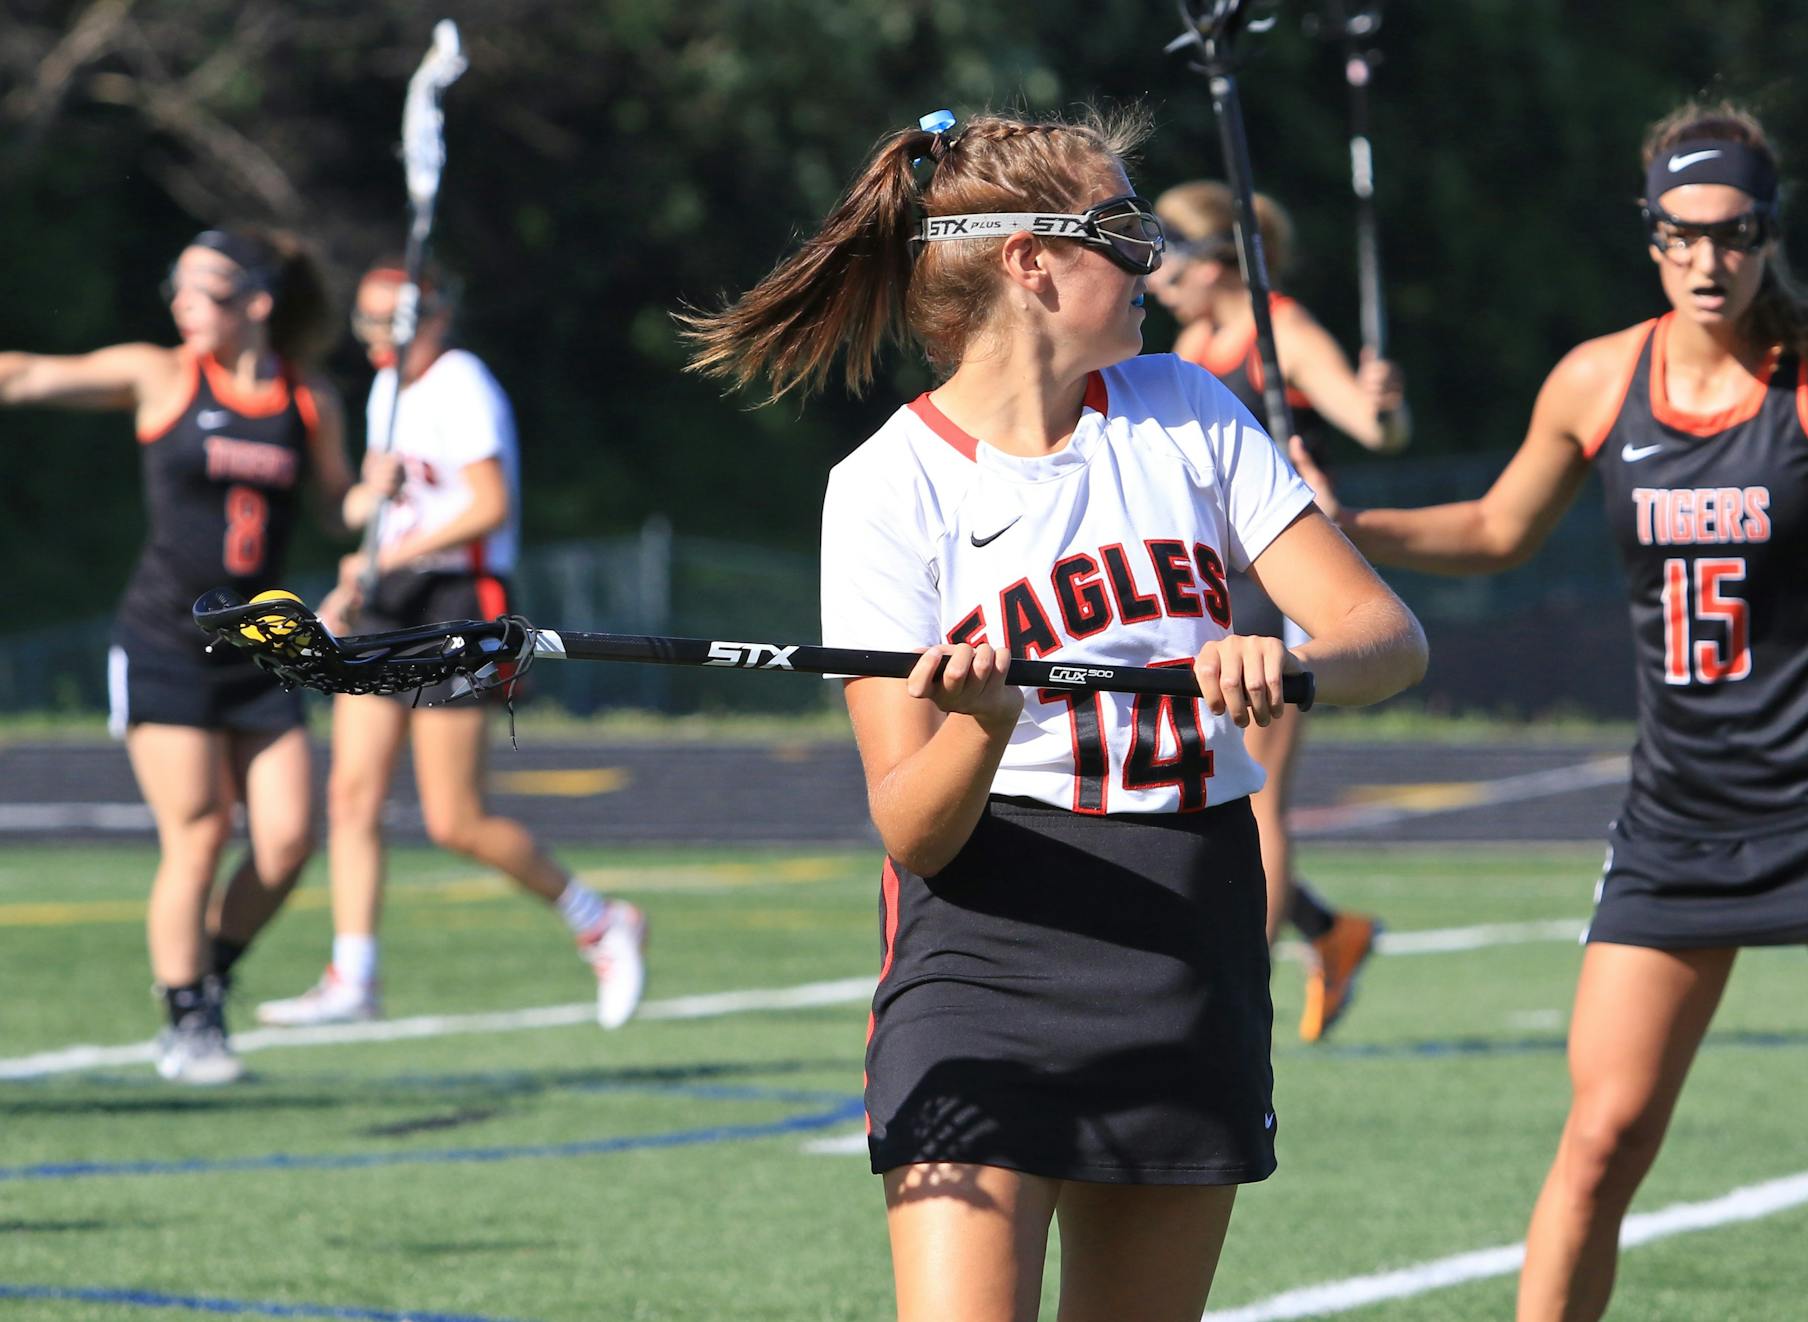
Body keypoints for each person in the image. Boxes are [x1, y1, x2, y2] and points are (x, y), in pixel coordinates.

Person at [1291, 101, 1808, 1322]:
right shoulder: (1599, 378)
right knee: (1602, 1139)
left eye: (1734, 234)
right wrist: (1344, 528)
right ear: (1650, 237)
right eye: (1681, 235)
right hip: (1680, 817)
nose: (1708, 260)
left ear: (1768, 234)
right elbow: (1493, 528)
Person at [680, 107, 1427, 1322]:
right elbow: (911, 827)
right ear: (1033, 261)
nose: (1156, 264)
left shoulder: (1186, 407)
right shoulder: (885, 486)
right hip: (985, 937)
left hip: (1190, 921)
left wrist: (1281, 664)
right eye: (1126, 235)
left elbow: (1386, 640)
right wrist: (978, 726)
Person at [255, 261, 648, 1030]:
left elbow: (488, 507)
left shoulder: (462, 382)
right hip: (389, 601)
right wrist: (371, 506)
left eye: (387, 322)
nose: (373, 338)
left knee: (455, 819)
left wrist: (393, 552)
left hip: (459, 603)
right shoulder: (384, 390)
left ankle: (600, 921)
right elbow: (367, 515)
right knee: (352, 793)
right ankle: (354, 974)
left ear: (430, 318)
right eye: (364, 322)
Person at [0, 228, 353, 1083]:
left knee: (288, 841)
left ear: (256, 305)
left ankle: (210, 976)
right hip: (165, 640)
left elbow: (343, 511)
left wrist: (383, 493)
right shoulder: (163, 374)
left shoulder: (309, 400)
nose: (183, 306)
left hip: (262, 647)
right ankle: (187, 1017)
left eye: (206, 293)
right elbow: (26, 373)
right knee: (197, 833)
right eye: (179, 290)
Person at [1148, 180, 1410, 1042]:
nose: (1152, 276)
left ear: (1220, 261)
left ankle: (1231, 1007)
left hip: (1278, 592)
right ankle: (1331, 933)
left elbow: (1373, 429)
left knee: (1257, 801)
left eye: (1169, 257)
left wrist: (1382, 402)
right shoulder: (1189, 344)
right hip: (1208, 595)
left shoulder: (1282, 333)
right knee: (1192, 791)